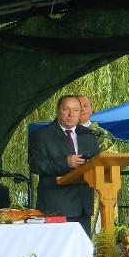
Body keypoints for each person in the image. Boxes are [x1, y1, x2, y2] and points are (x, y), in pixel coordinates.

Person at [28, 95, 100, 234]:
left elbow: (97, 163)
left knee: (81, 247)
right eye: (66, 109)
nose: (71, 114)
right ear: (58, 110)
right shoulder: (42, 135)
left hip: (83, 207)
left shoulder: (88, 135)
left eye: (75, 110)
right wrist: (65, 162)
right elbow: (36, 165)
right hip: (56, 207)